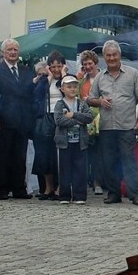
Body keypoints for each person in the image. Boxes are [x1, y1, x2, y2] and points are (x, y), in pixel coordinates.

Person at [88, 40, 138, 205]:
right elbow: (90, 99)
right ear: (104, 57)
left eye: (114, 55)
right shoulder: (100, 76)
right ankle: (114, 194)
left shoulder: (133, 73)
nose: (112, 58)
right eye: (108, 55)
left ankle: (135, 194)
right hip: (107, 126)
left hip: (127, 125)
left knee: (129, 161)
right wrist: (100, 101)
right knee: (109, 162)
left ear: (119, 55)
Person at [0, 39, 35, 200]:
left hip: (22, 119)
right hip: (4, 119)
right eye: (9, 50)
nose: (13, 52)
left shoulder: (27, 70)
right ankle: (0, 188)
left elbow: (30, 93)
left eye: (15, 49)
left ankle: (19, 188)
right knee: (2, 155)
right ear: (3, 52)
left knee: (20, 156)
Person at [53, 75, 94, 204]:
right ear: (62, 89)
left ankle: (79, 196)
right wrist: (77, 121)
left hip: (80, 142)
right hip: (64, 142)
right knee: (64, 169)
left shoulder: (82, 103)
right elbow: (59, 120)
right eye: (69, 86)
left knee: (80, 169)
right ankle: (64, 196)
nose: (72, 89)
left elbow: (89, 117)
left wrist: (73, 115)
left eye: (74, 86)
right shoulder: (60, 104)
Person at [32, 51, 67, 200]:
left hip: (62, 118)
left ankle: (61, 187)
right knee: (46, 154)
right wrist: (48, 78)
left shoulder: (68, 80)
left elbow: (70, 93)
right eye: (53, 66)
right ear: (49, 68)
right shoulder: (45, 80)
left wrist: (64, 76)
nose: (57, 69)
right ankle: (48, 187)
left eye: (59, 66)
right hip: (46, 119)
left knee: (61, 156)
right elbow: (36, 95)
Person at [78, 50, 104, 196]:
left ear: (95, 63)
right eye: (85, 64)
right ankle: (88, 181)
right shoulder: (81, 82)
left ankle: (98, 182)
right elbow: (78, 98)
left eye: (90, 63)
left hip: (102, 120)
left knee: (100, 154)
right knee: (87, 154)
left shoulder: (103, 78)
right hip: (86, 121)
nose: (88, 66)